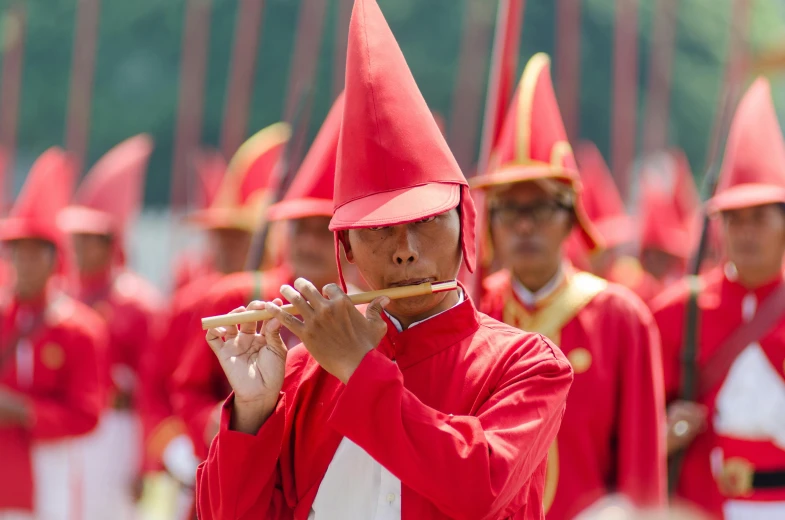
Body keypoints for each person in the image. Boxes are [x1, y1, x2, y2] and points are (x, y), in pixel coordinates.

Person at [194, 1, 573, 518]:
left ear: (465, 223)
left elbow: (478, 486)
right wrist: (253, 410)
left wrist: (357, 368)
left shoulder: (526, 364)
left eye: (424, 221)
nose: (405, 249)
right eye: (378, 230)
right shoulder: (305, 370)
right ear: (346, 249)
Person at [471, 53, 667, 519]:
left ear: (571, 220)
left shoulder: (621, 316)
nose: (524, 226)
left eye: (540, 208)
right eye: (509, 211)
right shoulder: (475, 311)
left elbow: (640, 463)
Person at [172, 92, 346, 460]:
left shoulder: (358, 311)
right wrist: (222, 425)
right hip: (237, 465)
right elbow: (187, 389)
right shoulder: (237, 294)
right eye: (301, 229)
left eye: (323, 230)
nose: (310, 243)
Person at [137, 123, 290, 514]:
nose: (226, 245)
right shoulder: (190, 304)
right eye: (219, 235)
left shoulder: (280, 296)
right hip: (201, 449)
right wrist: (176, 445)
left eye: (238, 235)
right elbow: (160, 383)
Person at [651, 77, 785, 520]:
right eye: (734, 219)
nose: (745, 232)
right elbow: (633, 421)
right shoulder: (678, 311)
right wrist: (662, 434)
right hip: (700, 506)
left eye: (760, 217)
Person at [58, 134, 164, 519]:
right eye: (76, 240)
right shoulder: (60, 299)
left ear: (110, 243)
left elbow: (151, 384)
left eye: (90, 240)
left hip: (117, 429)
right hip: (66, 425)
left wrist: (145, 459)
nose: (80, 250)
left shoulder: (138, 303)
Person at [0, 148, 107, 520]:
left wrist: (25, 412)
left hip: (51, 464)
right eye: (17, 253)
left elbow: (88, 414)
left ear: (52, 260)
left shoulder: (80, 329)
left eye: (33, 254)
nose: (22, 264)